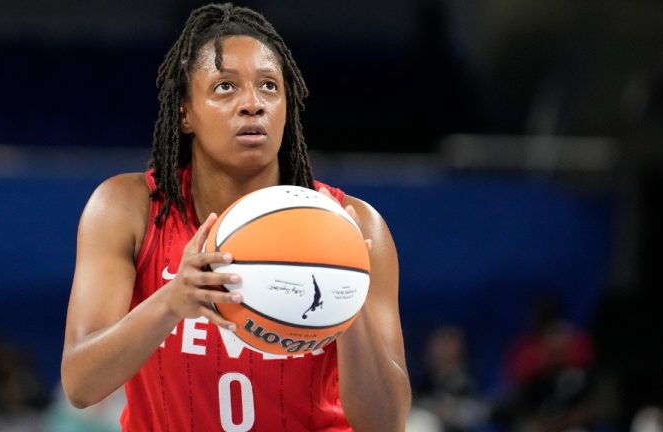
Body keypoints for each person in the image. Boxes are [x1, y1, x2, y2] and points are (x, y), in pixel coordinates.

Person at [61, 3, 411, 431]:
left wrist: (348, 303)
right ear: (185, 112)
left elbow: (387, 424)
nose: (252, 104)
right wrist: (170, 302)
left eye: (269, 86)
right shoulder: (128, 207)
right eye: (225, 87)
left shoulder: (356, 225)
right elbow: (81, 385)